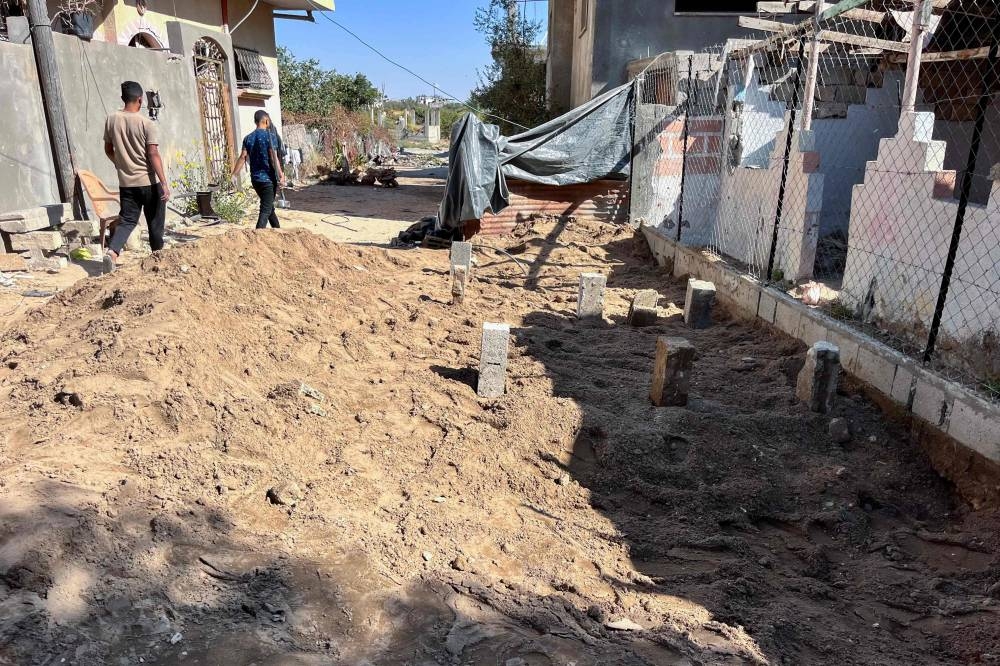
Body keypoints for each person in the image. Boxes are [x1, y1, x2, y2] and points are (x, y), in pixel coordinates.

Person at [102, 80, 170, 273]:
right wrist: (164, 183)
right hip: (149, 182)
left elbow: (108, 149)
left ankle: (112, 253)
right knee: (155, 223)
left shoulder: (111, 119)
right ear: (140, 99)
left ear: (123, 98)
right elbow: (153, 154)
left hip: (126, 183)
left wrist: (120, 163)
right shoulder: (146, 123)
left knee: (128, 220)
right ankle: (158, 260)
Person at [232, 110, 286, 230]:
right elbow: (273, 158)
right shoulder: (270, 137)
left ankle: (278, 230)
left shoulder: (248, 138)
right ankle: (256, 236)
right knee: (266, 209)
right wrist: (281, 175)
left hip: (255, 180)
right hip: (268, 180)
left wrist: (234, 175)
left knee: (269, 207)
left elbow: (242, 157)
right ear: (266, 120)